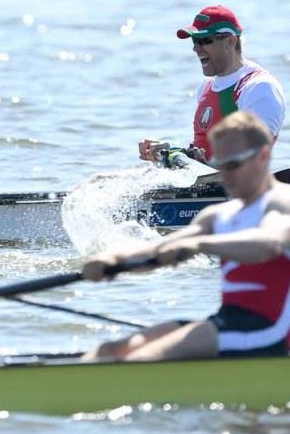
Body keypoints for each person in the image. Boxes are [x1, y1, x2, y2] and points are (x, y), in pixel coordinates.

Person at [85, 111, 290, 361]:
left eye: (233, 165)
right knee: (109, 350)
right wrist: (113, 260)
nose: (224, 176)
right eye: (219, 165)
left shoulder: (281, 203)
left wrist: (200, 244)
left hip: (271, 331)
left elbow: (269, 243)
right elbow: (161, 250)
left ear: (263, 155)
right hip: (229, 321)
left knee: (142, 359)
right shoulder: (217, 215)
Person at [139, 5, 285, 166]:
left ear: (230, 41)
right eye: (195, 41)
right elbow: (204, 152)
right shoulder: (205, 87)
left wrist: (186, 161)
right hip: (209, 178)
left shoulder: (259, 87)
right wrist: (165, 152)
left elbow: (251, 156)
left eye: (204, 40)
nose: (196, 48)